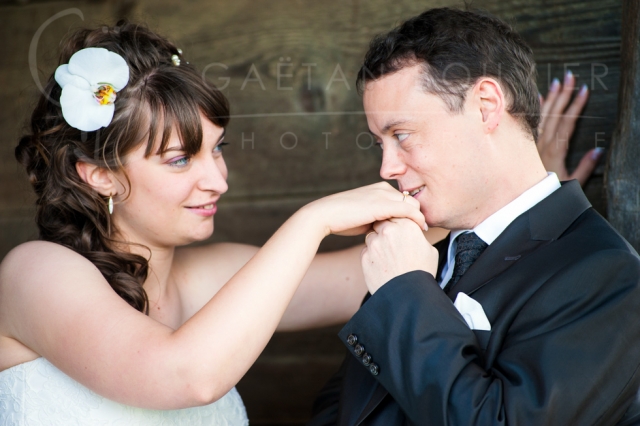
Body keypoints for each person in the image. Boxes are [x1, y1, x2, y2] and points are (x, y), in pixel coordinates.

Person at [0, 17, 599, 426]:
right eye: (180, 158)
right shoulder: (35, 274)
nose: (217, 179)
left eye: (217, 149)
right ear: (97, 173)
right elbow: (186, 378)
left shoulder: (216, 273)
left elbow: (377, 270)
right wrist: (314, 218)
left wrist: (518, 177)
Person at [309, 7, 640, 426]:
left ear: (485, 106)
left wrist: (406, 294)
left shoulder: (606, 273)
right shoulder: (417, 258)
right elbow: (341, 410)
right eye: (380, 143)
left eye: (402, 135)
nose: (387, 168)